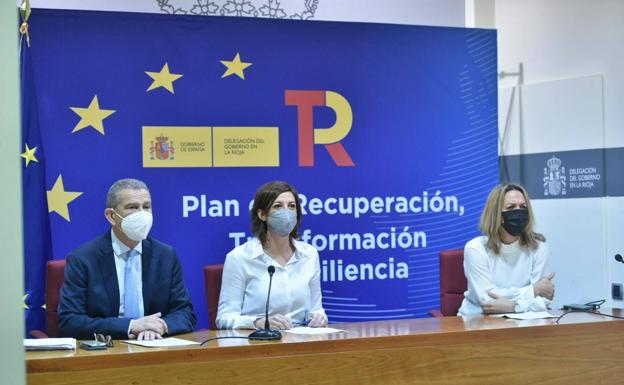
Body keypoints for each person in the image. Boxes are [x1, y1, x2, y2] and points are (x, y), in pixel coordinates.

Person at [58, 178, 196, 340]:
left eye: (146, 207)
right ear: (111, 216)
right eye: (132, 207)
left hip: (155, 346)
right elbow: (69, 321)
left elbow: (185, 313)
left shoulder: (166, 255)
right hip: (107, 350)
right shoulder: (83, 259)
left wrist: (159, 327)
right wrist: (131, 326)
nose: (142, 214)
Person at [216, 181, 327, 330]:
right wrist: (258, 323)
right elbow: (224, 318)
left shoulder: (309, 254)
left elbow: (317, 309)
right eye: (278, 206)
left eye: (292, 206)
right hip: (260, 343)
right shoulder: (239, 258)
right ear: (262, 214)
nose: (286, 212)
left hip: (303, 342)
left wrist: (319, 317)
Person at [458, 183, 555, 316]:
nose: (519, 212)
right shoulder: (475, 248)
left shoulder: (538, 247)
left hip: (524, 322)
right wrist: (533, 290)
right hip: (478, 322)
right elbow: (487, 301)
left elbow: (543, 299)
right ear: (496, 214)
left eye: (523, 207)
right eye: (511, 207)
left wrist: (514, 307)